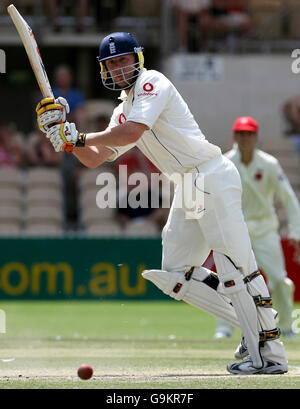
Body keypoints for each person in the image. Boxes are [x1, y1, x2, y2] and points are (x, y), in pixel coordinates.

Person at [35, 32, 288, 375]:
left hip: (210, 174)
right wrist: (65, 137)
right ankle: (252, 329)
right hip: (187, 186)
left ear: (137, 59)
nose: (118, 68)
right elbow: (97, 157)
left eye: (123, 60)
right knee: (176, 273)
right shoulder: (122, 110)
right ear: (104, 70)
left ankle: (269, 354)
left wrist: (77, 136)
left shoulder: (154, 83)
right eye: (111, 63)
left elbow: (132, 133)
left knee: (236, 265)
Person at [214, 116, 300, 339]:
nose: (245, 138)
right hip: (234, 229)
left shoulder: (269, 164)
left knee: (279, 279)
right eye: (241, 134)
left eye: (249, 134)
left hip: (264, 229)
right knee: (229, 278)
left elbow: (288, 198)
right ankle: (224, 326)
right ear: (234, 136)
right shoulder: (224, 162)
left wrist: (296, 231)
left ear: (256, 136)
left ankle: (286, 325)